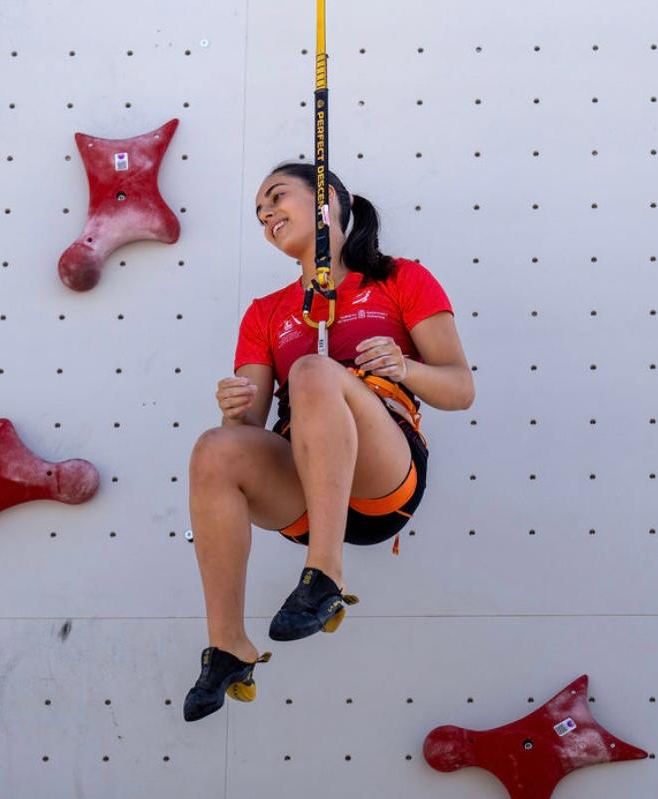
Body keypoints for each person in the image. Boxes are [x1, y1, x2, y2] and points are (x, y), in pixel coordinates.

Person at [183, 162, 474, 722]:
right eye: (259, 212)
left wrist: (405, 369)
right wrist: (236, 411)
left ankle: (326, 575)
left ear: (329, 202)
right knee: (213, 448)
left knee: (315, 372)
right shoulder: (265, 313)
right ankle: (227, 646)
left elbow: (460, 389)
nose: (266, 214)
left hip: (381, 478)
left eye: (276, 197)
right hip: (302, 486)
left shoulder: (400, 279)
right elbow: (248, 435)